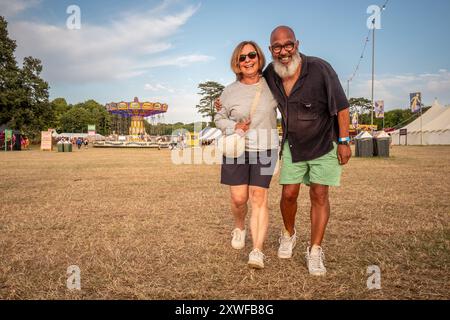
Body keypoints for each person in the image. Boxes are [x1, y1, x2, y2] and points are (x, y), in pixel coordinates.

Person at [216, 26, 351, 276]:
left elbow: (342, 106)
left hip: (318, 143)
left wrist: (344, 140)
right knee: (286, 194)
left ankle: (313, 251)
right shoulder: (269, 75)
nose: (283, 51)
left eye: (288, 45)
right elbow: (232, 100)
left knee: (317, 195)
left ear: (296, 44)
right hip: (289, 145)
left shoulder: (318, 68)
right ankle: (287, 233)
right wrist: (225, 110)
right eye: (277, 47)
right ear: (271, 50)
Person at [215, 41, 279, 269]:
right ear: (237, 63)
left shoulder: (273, 85)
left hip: (266, 149)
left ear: (259, 58)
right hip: (237, 150)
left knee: (259, 198)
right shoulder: (229, 91)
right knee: (239, 198)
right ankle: (239, 227)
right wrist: (234, 127)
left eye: (252, 55)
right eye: (242, 58)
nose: (248, 60)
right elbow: (218, 118)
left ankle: (257, 251)